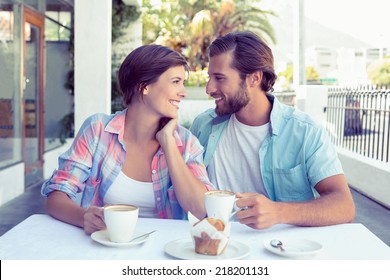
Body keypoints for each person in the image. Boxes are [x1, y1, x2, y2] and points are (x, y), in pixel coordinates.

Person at [190, 31, 355, 230]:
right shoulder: (204, 126)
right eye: (210, 77)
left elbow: (344, 206)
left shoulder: (304, 131)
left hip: (279, 250)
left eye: (219, 78)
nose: (209, 88)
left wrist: (278, 212)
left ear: (254, 78)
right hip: (214, 244)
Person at [42, 44, 213, 235]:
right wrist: (84, 217)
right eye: (175, 82)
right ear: (144, 86)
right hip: (106, 246)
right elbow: (56, 196)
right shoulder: (98, 130)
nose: (183, 92)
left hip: (164, 251)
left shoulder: (186, 143)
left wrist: (168, 142)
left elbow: (201, 210)